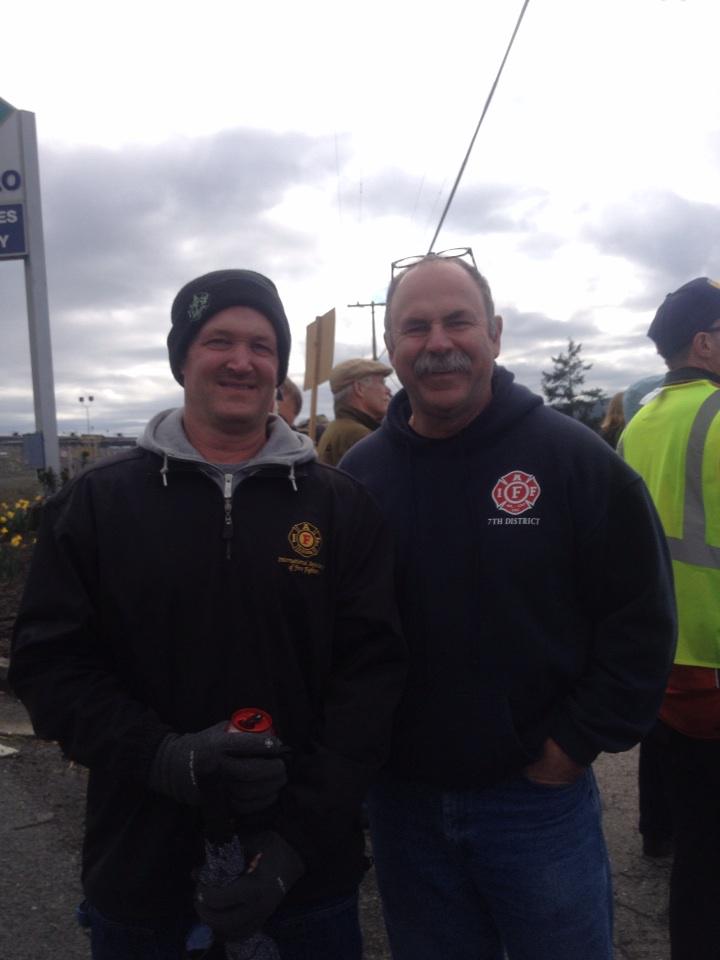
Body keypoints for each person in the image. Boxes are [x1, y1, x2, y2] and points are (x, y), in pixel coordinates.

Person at [9, 269, 406, 960]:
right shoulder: (100, 505)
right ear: (181, 358)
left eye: (260, 344)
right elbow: (50, 667)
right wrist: (163, 758)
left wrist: (291, 849)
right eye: (218, 339)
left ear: (278, 365)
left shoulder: (341, 508)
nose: (241, 359)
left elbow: (371, 683)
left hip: (306, 880)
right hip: (140, 873)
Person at [340, 249, 677, 960]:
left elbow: (641, 619)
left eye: (457, 321)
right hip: (402, 807)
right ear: (392, 348)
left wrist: (573, 743)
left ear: (493, 333)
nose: (437, 343)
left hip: (535, 804)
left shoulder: (575, 460)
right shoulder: (359, 478)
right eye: (415, 326)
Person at [619, 277, 720, 960]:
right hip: (716, 662)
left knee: (698, 849)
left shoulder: (640, 418)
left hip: (666, 664)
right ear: (706, 342)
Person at [317, 358, 392, 466]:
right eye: (382, 382)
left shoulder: (338, 428)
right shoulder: (359, 436)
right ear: (359, 388)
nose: (388, 391)